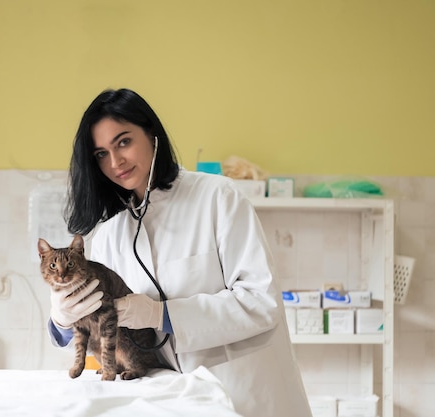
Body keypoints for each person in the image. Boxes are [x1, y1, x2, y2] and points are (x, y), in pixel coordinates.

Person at [47, 88, 312, 417]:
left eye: (124, 142)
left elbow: (262, 303)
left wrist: (162, 315)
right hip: (173, 400)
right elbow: (96, 323)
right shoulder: (110, 234)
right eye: (101, 154)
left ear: (151, 133)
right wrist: (60, 319)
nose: (115, 162)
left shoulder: (218, 198)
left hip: (244, 395)